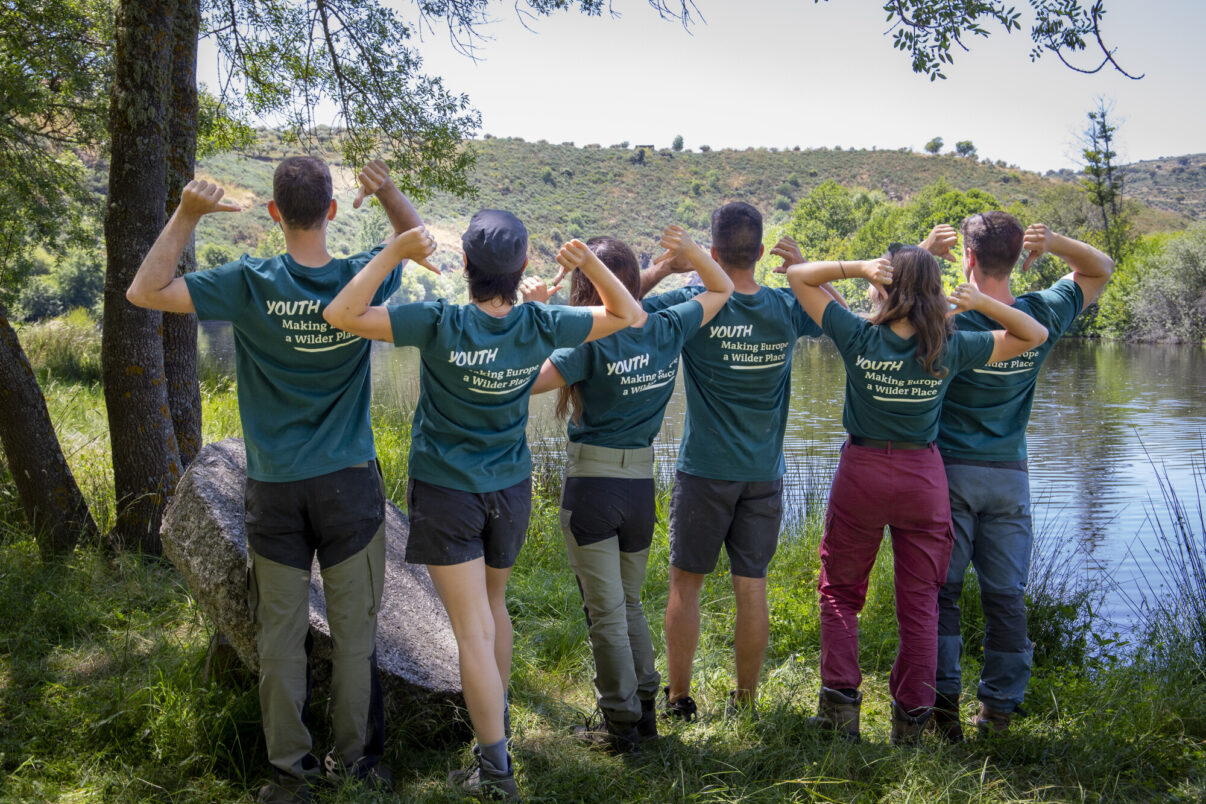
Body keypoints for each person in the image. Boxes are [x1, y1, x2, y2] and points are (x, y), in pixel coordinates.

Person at [126, 157, 422, 802]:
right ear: (334, 212)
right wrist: (391, 193)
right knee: (354, 633)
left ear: (273, 214)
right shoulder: (357, 279)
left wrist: (187, 213)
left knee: (280, 637)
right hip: (348, 485)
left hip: (275, 488)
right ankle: (361, 769)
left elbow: (145, 292)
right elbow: (417, 242)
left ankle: (291, 777)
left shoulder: (248, 282)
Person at [322, 210, 641, 800]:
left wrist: (394, 251)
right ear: (520, 269)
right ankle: (496, 734)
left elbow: (341, 313)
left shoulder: (440, 322)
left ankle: (496, 771)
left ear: (464, 266)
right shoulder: (541, 324)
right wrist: (589, 263)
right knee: (493, 610)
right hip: (510, 489)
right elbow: (631, 313)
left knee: (471, 630)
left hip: (448, 491)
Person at [781, 239, 1048, 744]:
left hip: (861, 470)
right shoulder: (948, 345)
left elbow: (800, 279)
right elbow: (1033, 334)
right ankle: (913, 720)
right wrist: (980, 302)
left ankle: (840, 712)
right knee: (921, 600)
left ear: (886, 286)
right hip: (923, 478)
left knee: (840, 593)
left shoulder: (859, 336)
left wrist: (857, 268)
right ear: (934, 293)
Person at [523, 226, 733, 752]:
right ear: (634, 281)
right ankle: (643, 708)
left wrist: (533, 318)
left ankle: (620, 725)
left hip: (593, 488)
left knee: (606, 614)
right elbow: (721, 288)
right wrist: (693, 256)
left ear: (585, 290)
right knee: (631, 604)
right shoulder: (665, 327)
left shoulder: (587, 340)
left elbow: (523, 381)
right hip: (641, 488)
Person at [639, 202, 844, 719]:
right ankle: (746, 702)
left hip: (704, 469)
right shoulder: (785, 305)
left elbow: (622, 302)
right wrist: (805, 276)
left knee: (686, 582)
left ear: (710, 252)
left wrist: (666, 266)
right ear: (759, 252)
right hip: (763, 474)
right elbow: (849, 326)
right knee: (751, 586)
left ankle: (679, 700)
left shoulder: (695, 300)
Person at [932, 213, 1114, 740]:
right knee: (1005, 595)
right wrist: (1054, 243)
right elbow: (1099, 269)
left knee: (943, 593)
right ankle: (999, 710)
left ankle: (944, 705)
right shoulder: (1040, 313)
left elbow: (883, 309)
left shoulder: (947, 319)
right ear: (1018, 259)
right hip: (1009, 476)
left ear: (967, 258)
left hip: (950, 473)